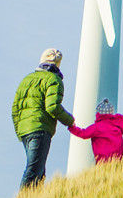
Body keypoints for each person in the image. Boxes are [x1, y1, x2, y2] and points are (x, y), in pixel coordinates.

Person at [11, 48, 75, 189]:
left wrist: (19, 131)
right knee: (34, 169)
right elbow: (52, 107)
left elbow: (15, 108)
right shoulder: (53, 79)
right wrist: (70, 121)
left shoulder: (26, 79)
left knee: (39, 169)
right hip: (40, 128)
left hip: (24, 130)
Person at [68, 98, 123, 164]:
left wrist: (72, 127)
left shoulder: (97, 128)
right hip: (121, 160)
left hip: (104, 161)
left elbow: (83, 134)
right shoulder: (117, 126)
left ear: (98, 114)